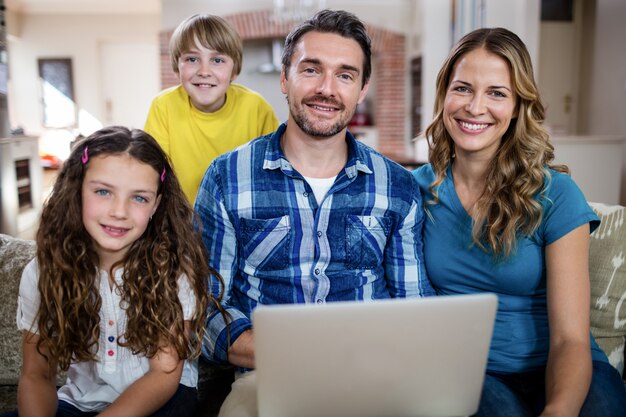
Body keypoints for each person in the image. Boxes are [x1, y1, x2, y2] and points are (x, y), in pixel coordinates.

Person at [194, 9, 434, 417]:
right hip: (267, 377)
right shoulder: (226, 177)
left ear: (362, 90)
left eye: (345, 74)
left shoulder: (398, 187)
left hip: (373, 377)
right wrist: (285, 352)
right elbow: (206, 305)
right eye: (311, 69)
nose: (327, 88)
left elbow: (414, 305)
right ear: (285, 78)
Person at [413, 27, 626, 417]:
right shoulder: (414, 191)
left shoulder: (556, 194)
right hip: (472, 375)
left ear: (517, 107)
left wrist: (559, 409)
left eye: (497, 93)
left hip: (566, 365)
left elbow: (570, 339)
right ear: (444, 95)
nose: (475, 108)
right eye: (462, 88)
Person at [6, 126, 225, 417]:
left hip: (161, 398)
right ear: (77, 191)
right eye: (103, 191)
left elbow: (163, 374)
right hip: (80, 402)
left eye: (139, 198)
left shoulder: (173, 270)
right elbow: (37, 375)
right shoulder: (44, 272)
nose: (119, 211)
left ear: (156, 205)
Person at [144, 14, 279, 204]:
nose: (204, 71)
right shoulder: (163, 106)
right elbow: (152, 171)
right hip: (181, 219)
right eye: (192, 59)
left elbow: (272, 174)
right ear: (177, 67)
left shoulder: (257, 108)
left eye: (217, 60)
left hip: (239, 217)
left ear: (234, 70)